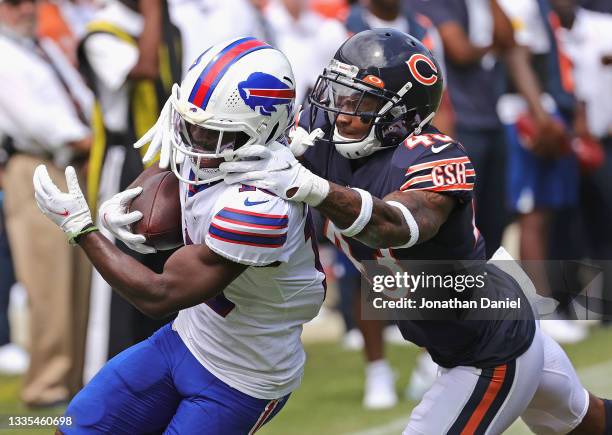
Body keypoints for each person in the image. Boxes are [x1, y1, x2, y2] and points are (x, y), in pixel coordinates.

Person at [217, 29, 612, 434]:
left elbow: (393, 226)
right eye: (340, 95)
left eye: (361, 101)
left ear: (399, 113)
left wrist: (310, 185)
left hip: (489, 344)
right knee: (589, 422)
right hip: (487, 317)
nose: (343, 112)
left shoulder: (436, 156)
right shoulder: (321, 131)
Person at [33, 38, 326, 434]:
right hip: (182, 339)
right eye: (188, 125)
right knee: (75, 426)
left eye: (210, 135)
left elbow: (159, 294)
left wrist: (82, 230)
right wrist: (126, 199)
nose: (192, 144)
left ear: (260, 133)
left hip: (242, 376)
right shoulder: (223, 147)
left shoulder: (262, 207)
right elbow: (177, 166)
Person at [0, 0, 93, 407]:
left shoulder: (41, 47)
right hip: (34, 165)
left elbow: (80, 97)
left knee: (80, 276)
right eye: (13, 3)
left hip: (69, 163)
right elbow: (38, 120)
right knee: (48, 280)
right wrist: (91, 139)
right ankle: (46, 387)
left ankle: (71, 380)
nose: (25, 9)